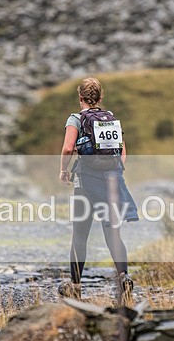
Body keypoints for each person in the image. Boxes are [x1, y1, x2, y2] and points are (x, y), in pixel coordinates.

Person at [58, 77, 138, 301]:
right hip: (111, 181)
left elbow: (67, 148)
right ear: (101, 97)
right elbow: (122, 152)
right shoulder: (110, 118)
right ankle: (123, 278)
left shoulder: (75, 119)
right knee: (112, 232)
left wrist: (63, 170)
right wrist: (114, 170)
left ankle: (75, 286)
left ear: (80, 98)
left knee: (80, 234)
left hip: (85, 181)